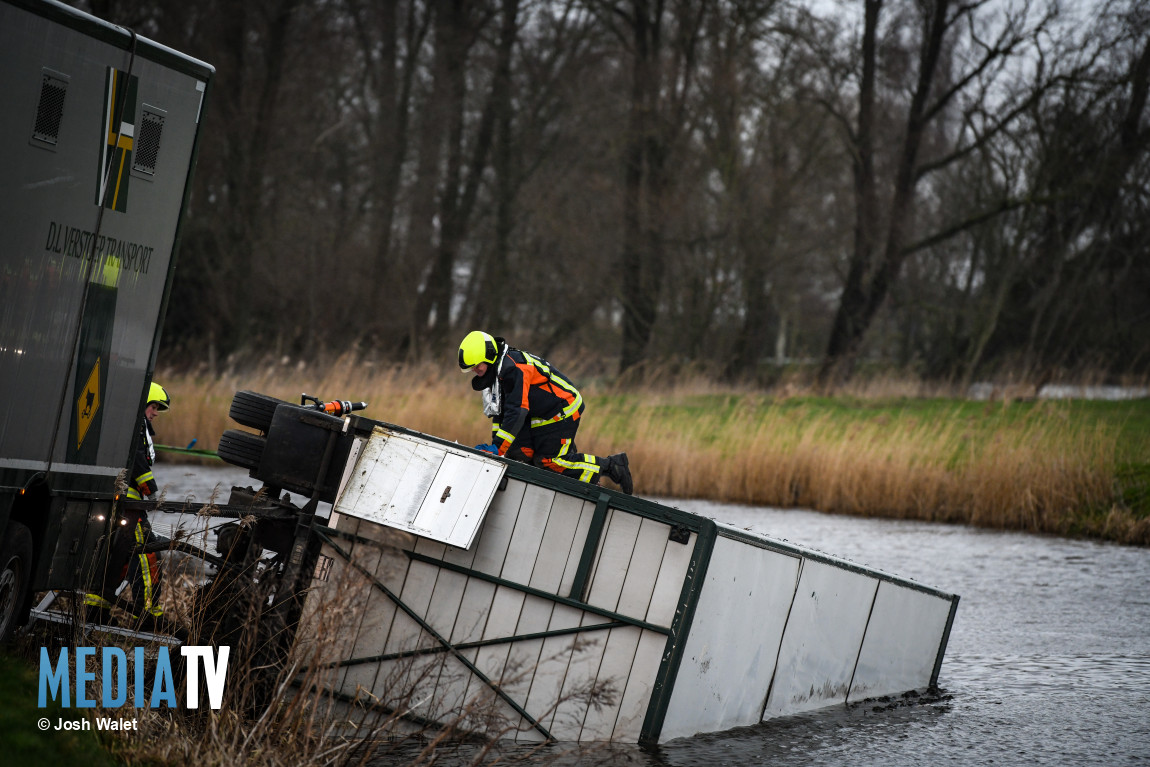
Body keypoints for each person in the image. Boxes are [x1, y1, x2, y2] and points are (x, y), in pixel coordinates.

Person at [458, 331, 633, 494]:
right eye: (472, 368)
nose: (475, 371)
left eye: (477, 366)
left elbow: (517, 411)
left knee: (549, 462)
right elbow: (500, 413)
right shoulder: (496, 373)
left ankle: (611, 466)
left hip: (562, 408)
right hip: (538, 412)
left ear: (489, 356)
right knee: (520, 453)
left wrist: (497, 448)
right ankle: (570, 463)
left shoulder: (514, 368)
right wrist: (495, 448)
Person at [85, 382, 170, 629]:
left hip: (118, 506)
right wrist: (151, 490)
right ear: (143, 404)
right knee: (147, 553)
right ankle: (148, 616)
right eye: (154, 407)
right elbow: (136, 460)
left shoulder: (123, 425)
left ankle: (95, 611)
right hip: (130, 509)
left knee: (116, 558)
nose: (155, 413)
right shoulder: (136, 427)